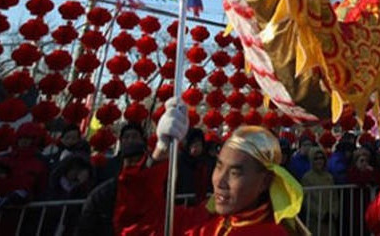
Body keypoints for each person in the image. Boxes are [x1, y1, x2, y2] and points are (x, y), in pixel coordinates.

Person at [113, 99, 307, 234]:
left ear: (265, 181)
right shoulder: (203, 219)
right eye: (219, 167)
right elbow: (138, 225)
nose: (220, 181)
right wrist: (161, 151)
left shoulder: (272, 233)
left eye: (234, 172)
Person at [77, 123, 150, 235]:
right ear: (120, 141)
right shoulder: (107, 165)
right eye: (126, 137)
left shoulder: (151, 167)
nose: (130, 140)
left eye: (135, 136)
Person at [300, 145, 338, 236]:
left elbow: (335, 197)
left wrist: (333, 212)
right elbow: (307, 201)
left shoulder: (329, 177)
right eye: (316, 158)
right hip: (315, 220)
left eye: (321, 158)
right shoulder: (307, 178)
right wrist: (321, 214)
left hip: (330, 220)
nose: (319, 161)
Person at [176, 127, 214, 205]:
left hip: (204, 204)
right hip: (183, 204)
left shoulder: (207, 162)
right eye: (193, 144)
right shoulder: (179, 161)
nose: (196, 148)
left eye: (199, 144)